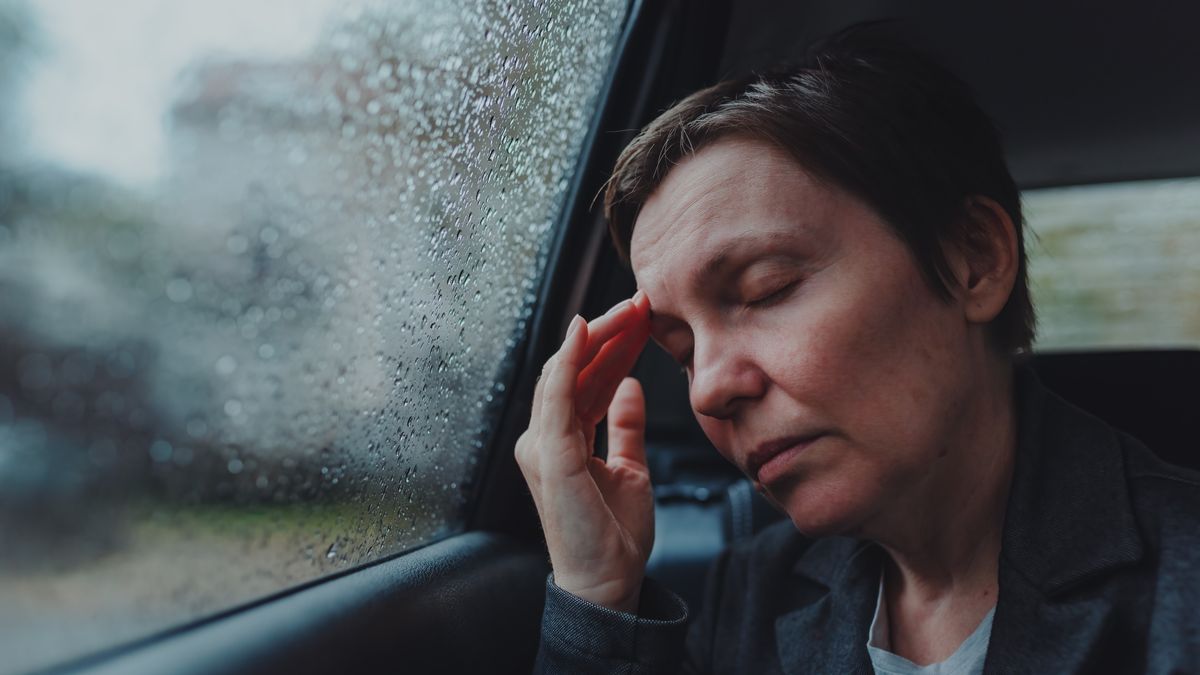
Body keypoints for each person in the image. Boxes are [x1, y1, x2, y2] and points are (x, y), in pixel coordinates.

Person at [515, 33, 1200, 674]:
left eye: (767, 289)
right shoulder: (753, 590)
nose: (708, 390)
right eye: (682, 349)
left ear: (973, 260)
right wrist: (598, 597)